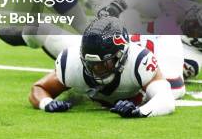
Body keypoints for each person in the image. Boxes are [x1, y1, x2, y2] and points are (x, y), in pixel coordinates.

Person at [29, 17, 176, 118]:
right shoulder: (71, 63)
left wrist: (139, 111)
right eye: (91, 64)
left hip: (155, 48)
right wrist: (46, 103)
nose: (97, 70)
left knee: (177, 88)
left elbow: (167, 100)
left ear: (122, 55)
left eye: (104, 63)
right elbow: (39, 88)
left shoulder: (138, 62)